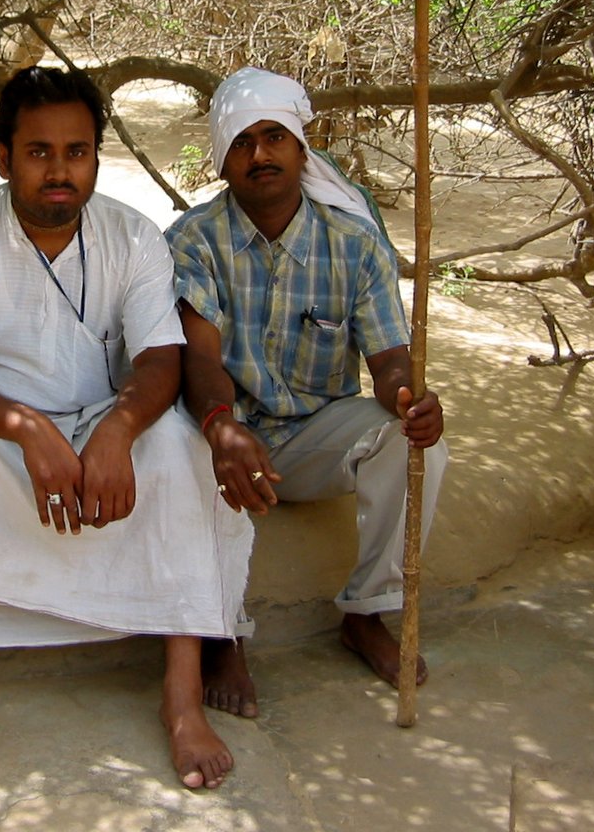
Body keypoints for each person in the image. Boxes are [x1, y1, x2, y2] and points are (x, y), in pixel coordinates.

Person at [0, 65, 253, 801]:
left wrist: (118, 429)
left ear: (95, 156)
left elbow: (160, 359)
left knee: (179, 448)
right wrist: (23, 427)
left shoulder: (133, 236)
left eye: (77, 152)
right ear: (2, 158)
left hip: (97, 424)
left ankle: (182, 697)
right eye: (39, 152)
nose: (60, 172)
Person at [166, 66, 449, 719]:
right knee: (176, 445)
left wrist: (409, 398)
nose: (259, 155)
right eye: (242, 143)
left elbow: (388, 359)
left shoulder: (355, 243)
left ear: (301, 148)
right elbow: (198, 356)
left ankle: (367, 613)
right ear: (223, 161)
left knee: (418, 445)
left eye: (274, 138)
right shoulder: (193, 241)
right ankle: (223, 634)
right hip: (227, 436)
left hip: (312, 436)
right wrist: (221, 425)